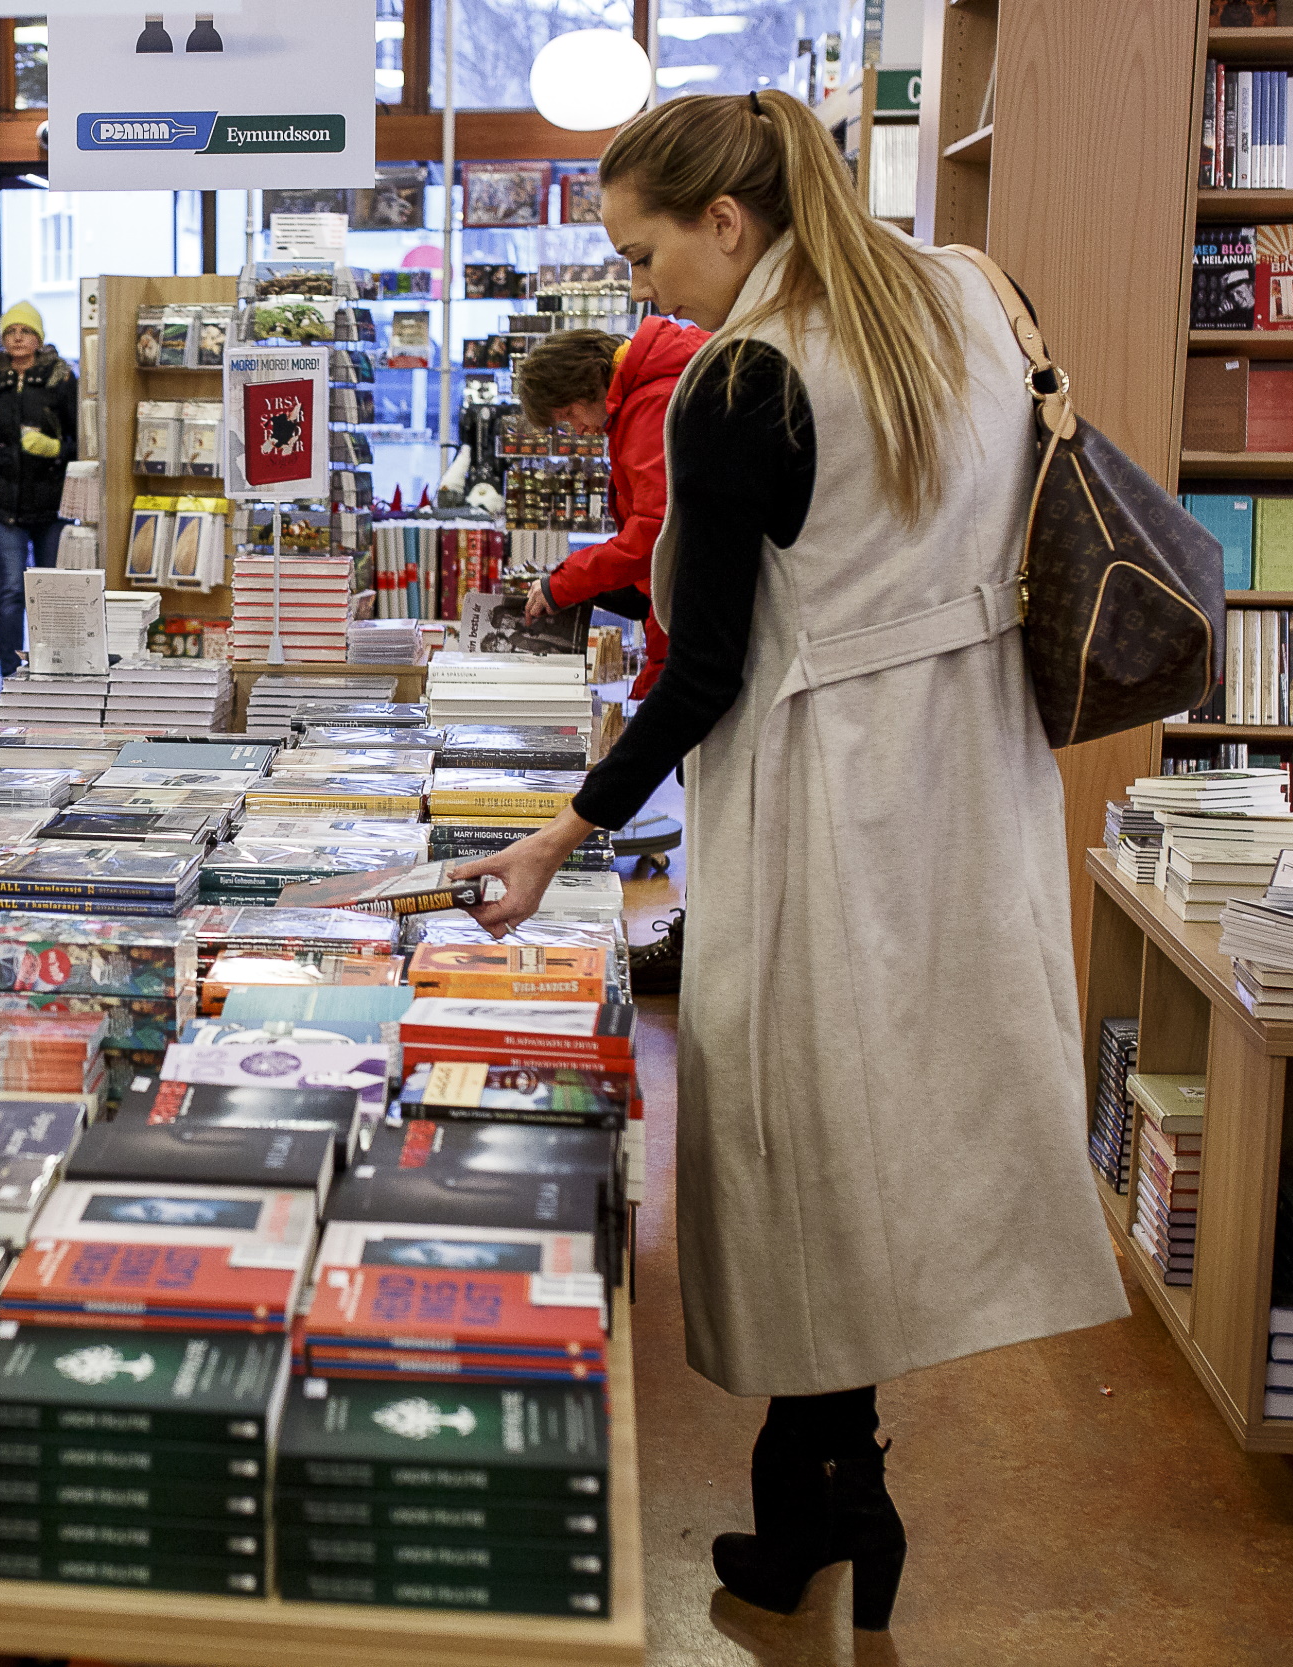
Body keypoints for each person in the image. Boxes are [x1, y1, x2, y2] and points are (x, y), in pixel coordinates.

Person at [454, 90, 1128, 1632]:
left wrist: (567, 829)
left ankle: (826, 1497)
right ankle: (838, 1487)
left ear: (727, 225)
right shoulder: (967, 286)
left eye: (639, 258)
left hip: (826, 783)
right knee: (897, 1133)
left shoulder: (739, 381)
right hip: (975, 772)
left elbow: (701, 669)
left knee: (795, 1137)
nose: (638, 293)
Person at [510, 315, 707, 699]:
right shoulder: (648, 390)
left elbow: (656, 531)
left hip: (690, 611)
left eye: (568, 415)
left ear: (584, 384)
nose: (576, 430)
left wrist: (566, 584)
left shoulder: (649, 404)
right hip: (683, 603)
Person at [0, 301, 79, 677]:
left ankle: (51, 673)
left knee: (50, 594)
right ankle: (10, 676)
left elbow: (83, 439)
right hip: (1, 503)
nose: (18, 338)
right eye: (10, 332)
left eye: (25, 331)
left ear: (39, 338)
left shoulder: (60, 380)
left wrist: (57, 448)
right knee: (11, 592)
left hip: (52, 501)